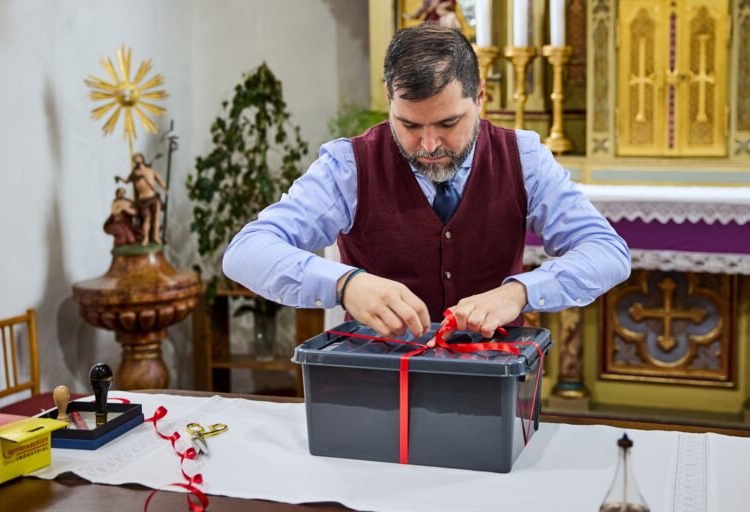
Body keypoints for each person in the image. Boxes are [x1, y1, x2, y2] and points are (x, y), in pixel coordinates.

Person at [223, 23, 630, 342]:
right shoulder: (349, 165)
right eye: (410, 125)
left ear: (480, 97)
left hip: (492, 377)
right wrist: (344, 284)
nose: (429, 145)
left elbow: (607, 251)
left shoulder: (523, 158)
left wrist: (520, 291)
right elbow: (247, 251)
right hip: (378, 380)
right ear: (389, 99)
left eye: (448, 123)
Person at [115, 153, 167, 245]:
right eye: (134, 158)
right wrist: (119, 178)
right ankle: (145, 238)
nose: (136, 159)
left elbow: (160, 180)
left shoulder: (151, 171)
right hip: (142, 200)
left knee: (156, 218)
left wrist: (166, 189)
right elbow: (127, 181)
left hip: (153, 197)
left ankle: (156, 237)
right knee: (147, 218)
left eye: (138, 157)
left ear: (142, 159)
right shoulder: (134, 173)